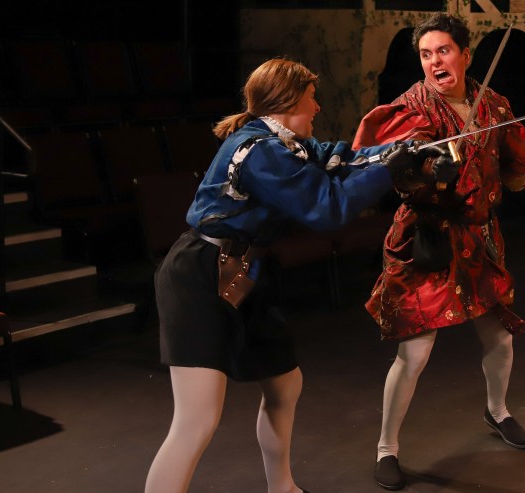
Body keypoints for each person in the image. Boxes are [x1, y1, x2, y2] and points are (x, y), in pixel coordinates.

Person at [144, 58, 453, 493]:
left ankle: (283, 488)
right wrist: (390, 170)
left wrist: (407, 151)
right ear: (288, 101)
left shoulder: (286, 143)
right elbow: (326, 208)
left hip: (244, 270)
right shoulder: (258, 151)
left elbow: (341, 160)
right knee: (197, 420)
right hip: (200, 274)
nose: (318, 107)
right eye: (311, 98)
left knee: (285, 384)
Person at [351, 12, 525, 491]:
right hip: (426, 241)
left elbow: (518, 163)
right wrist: (427, 171)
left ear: (465, 55)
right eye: (426, 54)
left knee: (500, 337)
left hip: (478, 238)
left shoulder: (493, 105)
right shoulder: (411, 109)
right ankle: (387, 448)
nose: (434, 62)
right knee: (414, 353)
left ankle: (498, 411)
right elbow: (400, 173)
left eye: (443, 51)